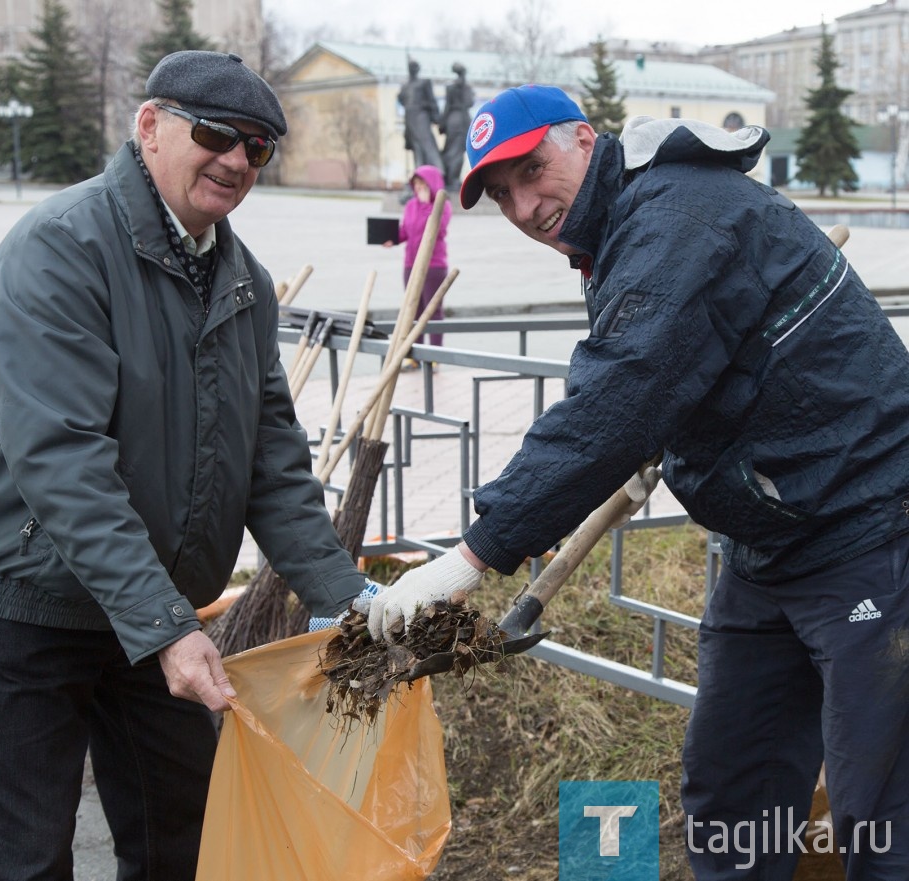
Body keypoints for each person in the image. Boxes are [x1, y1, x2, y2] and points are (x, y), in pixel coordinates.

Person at [364, 84, 909, 879]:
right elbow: (659, 380)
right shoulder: (622, 226)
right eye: (501, 193)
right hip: (768, 542)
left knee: (879, 813)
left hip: (869, 528)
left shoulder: (676, 215)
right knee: (733, 786)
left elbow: (617, 396)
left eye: (531, 169)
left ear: (584, 139)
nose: (523, 205)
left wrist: (470, 556)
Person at [0, 50, 371, 880]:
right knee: (15, 858)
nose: (236, 159)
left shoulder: (243, 280)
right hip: (21, 593)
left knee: (189, 834)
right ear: (150, 127)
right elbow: (62, 459)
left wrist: (345, 600)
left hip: (146, 601)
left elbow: (273, 457)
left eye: (259, 148)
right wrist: (167, 628)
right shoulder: (59, 249)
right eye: (216, 134)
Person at [383, 164, 452, 368]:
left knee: (432, 312)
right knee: (413, 310)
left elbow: (436, 230)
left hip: (433, 266)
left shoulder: (442, 206)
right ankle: (415, 356)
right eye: (416, 184)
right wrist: (392, 239)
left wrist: (425, 205)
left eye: (423, 183)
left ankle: (434, 357)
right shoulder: (410, 205)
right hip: (410, 264)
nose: (419, 188)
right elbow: (406, 231)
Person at [398, 58, 444, 173]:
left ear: (417, 69)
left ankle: (439, 172)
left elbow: (432, 100)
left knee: (427, 143)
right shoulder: (405, 86)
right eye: (410, 67)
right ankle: (420, 174)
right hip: (410, 118)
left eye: (414, 67)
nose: (412, 69)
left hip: (421, 117)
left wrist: (436, 117)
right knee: (416, 147)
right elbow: (402, 99)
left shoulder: (424, 83)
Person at [438, 62, 475, 191]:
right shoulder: (467, 88)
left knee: (451, 151)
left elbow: (447, 106)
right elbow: (470, 103)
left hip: (452, 120)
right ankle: (452, 180)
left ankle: (450, 178)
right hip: (462, 121)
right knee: (457, 152)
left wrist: (442, 123)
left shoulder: (451, 87)